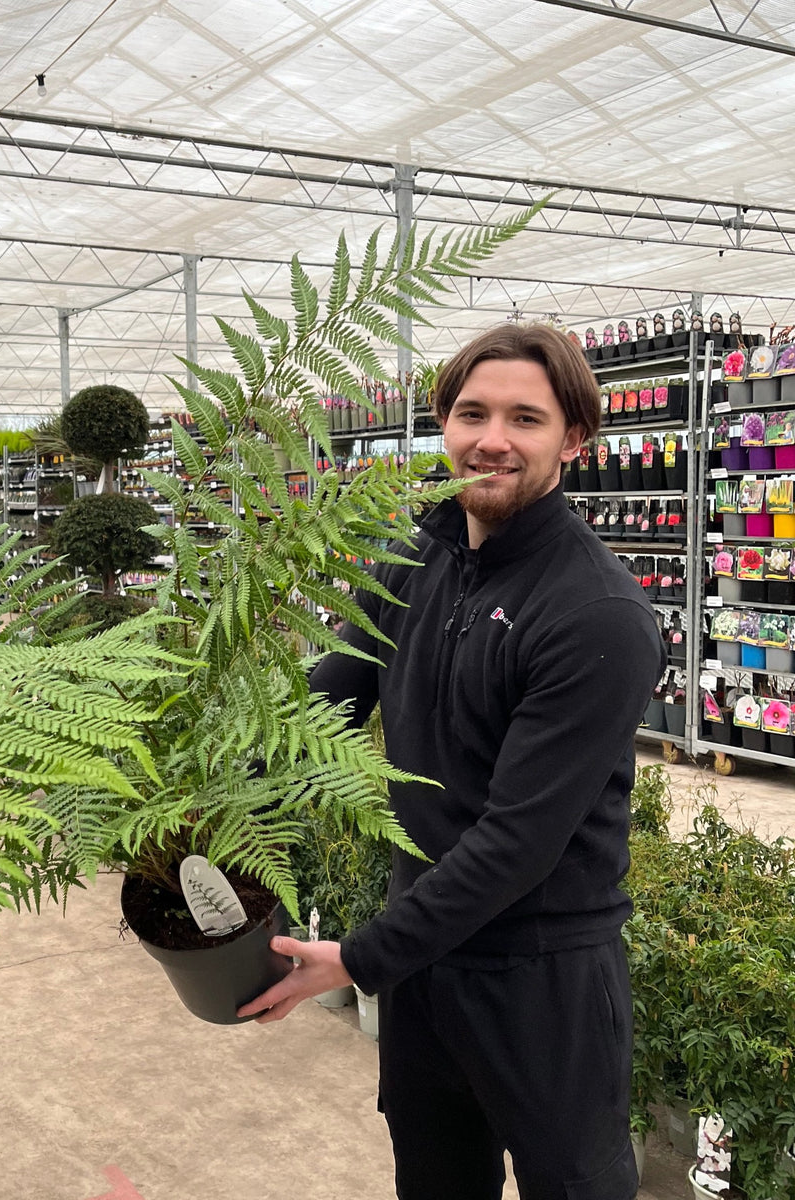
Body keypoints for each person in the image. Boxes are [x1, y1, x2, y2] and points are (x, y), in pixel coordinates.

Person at [240, 323, 666, 1200]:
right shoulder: (415, 554)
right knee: (434, 1180)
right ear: (442, 423)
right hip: (427, 966)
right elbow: (330, 697)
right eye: (471, 413)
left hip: (542, 975)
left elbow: (517, 841)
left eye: (526, 418)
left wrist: (357, 960)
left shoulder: (596, 615)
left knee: (573, 1184)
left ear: (574, 440)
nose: (492, 439)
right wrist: (213, 799)